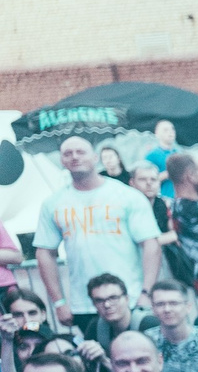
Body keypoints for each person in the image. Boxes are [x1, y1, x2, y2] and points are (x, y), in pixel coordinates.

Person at [32, 136, 165, 326]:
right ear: (62, 161)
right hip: (84, 304)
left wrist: (146, 292)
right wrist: (59, 302)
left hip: (130, 298)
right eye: (68, 154)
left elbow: (151, 244)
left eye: (81, 152)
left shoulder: (128, 196)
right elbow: (45, 252)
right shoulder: (53, 203)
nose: (74, 157)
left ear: (95, 158)